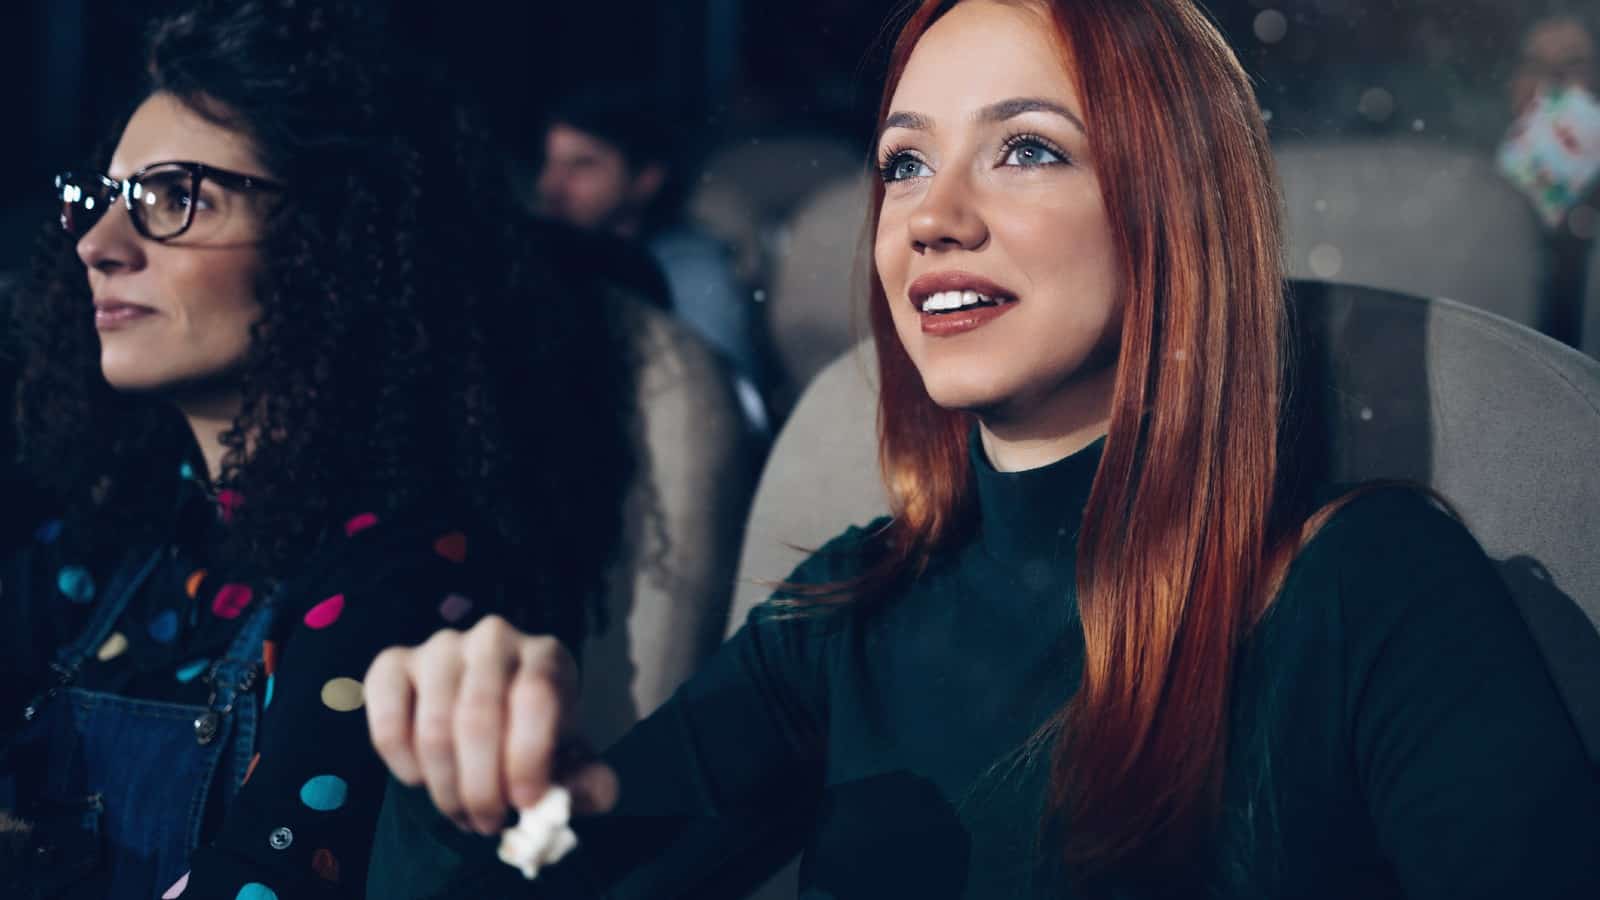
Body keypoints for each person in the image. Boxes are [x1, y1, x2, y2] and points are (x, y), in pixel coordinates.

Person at [364, 1, 1600, 898]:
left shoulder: (1369, 586)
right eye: (903, 162)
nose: (932, 218)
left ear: (1172, 214)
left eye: (1027, 149)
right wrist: (480, 782)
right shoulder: (844, 611)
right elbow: (561, 872)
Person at [0, 1, 636, 897]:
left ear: (339, 239)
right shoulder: (94, 550)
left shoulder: (402, 582)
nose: (100, 246)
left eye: (176, 197)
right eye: (100, 201)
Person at [536, 89, 771, 430]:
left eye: (582, 166)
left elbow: (725, 412)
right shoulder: (542, 260)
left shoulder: (691, 269)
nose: (550, 186)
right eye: (549, 163)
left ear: (646, 178)